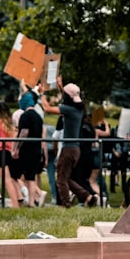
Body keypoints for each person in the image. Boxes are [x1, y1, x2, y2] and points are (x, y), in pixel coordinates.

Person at [40, 76, 95, 207]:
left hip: (68, 149)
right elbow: (67, 98)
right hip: (75, 149)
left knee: (61, 180)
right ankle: (88, 197)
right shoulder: (79, 109)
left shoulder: (68, 110)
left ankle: (66, 205)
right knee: (65, 178)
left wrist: (40, 93)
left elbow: (47, 108)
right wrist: (61, 85)